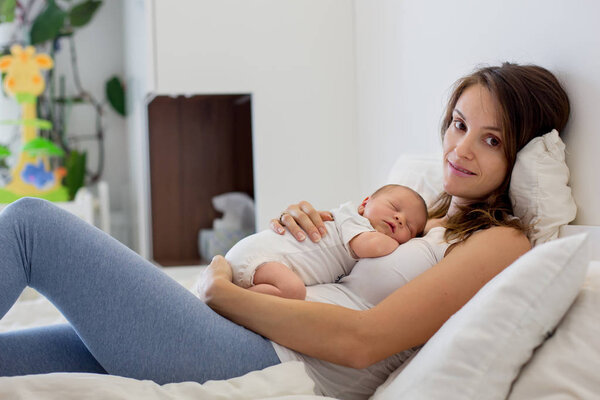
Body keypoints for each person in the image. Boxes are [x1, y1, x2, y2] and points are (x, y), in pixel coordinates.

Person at [0, 63, 570, 400]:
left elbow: (362, 341)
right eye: (458, 124)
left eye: (491, 140)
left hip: (258, 354)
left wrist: (225, 291)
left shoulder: (502, 241)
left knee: (31, 225)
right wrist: (301, 228)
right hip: (233, 327)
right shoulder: (426, 214)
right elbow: (341, 259)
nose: (460, 148)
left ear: (520, 153)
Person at [210, 184, 427, 300]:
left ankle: (231, 293)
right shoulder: (353, 219)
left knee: (290, 290)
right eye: (394, 207)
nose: (400, 219)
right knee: (293, 291)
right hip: (258, 256)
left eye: (409, 227)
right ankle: (230, 298)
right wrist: (399, 242)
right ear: (364, 204)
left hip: (264, 262)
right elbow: (371, 246)